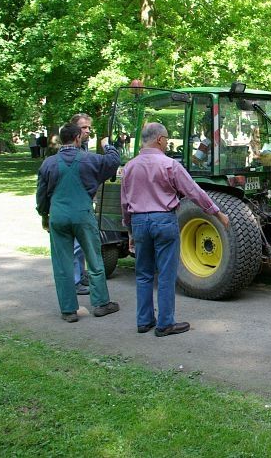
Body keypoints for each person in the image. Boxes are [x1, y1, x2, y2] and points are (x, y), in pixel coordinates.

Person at [121, 122, 230, 337]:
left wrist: (130, 231)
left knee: (143, 274)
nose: (168, 142)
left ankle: (144, 321)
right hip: (163, 221)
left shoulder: (129, 167)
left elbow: (124, 203)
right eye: (167, 139)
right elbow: (194, 191)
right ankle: (165, 324)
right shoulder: (170, 165)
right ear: (159, 139)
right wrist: (216, 212)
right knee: (166, 274)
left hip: (139, 222)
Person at [36, 123, 121, 322]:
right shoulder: (89, 159)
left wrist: (44, 216)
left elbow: (41, 195)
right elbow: (113, 161)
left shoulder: (48, 163)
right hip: (82, 214)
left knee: (62, 263)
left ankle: (68, 310)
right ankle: (101, 303)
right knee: (94, 259)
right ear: (77, 138)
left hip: (58, 215)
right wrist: (108, 144)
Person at [70, 113, 94, 295]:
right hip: (73, 203)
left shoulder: (84, 148)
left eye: (88, 127)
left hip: (84, 201)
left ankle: (81, 273)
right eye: (84, 127)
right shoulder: (71, 151)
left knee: (82, 242)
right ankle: (75, 280)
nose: (88, 130)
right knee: (76, 244)